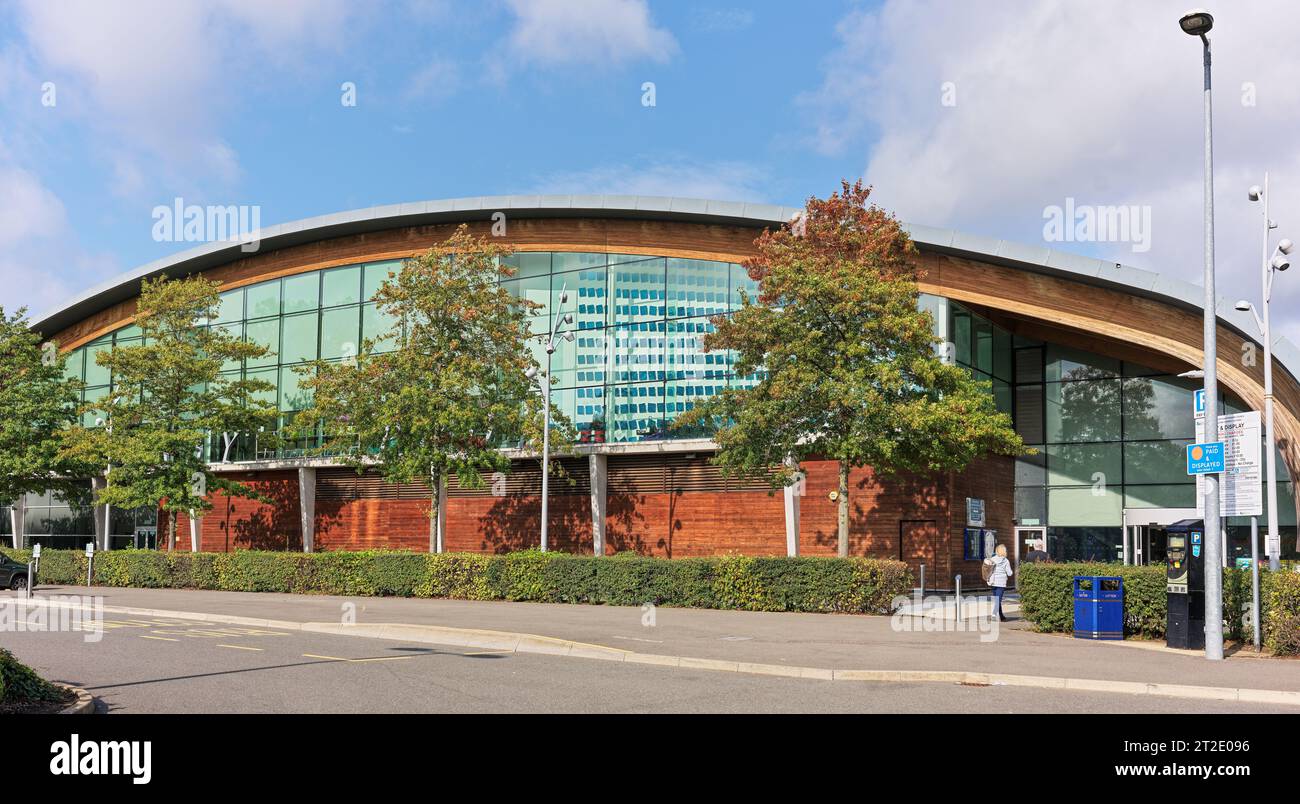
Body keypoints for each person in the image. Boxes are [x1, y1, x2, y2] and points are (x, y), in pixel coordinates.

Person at [984, 544, 1013, 621]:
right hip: (1001, 583)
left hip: (993, 581)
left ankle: (1002, 616)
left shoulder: (992, 559)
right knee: (998, 600)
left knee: (997, 599)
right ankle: (994, 614)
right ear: (1004, 551)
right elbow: (1009, 573)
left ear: (997, 551)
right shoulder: (1006, 561)